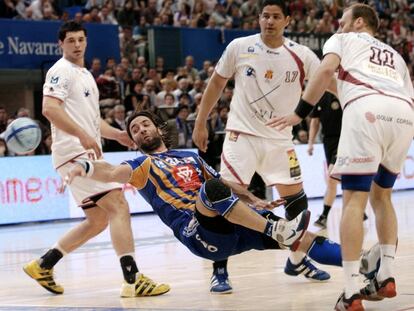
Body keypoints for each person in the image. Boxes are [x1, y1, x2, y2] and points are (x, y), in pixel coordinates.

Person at [64, 111, 381, 295]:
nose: (141, 129)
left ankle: (361, 264)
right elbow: (110, 171)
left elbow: (226, 184)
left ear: (158, 129)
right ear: (133, 141)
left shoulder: (189, 156)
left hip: (231, 222)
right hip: (199, 233)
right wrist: (86, 167)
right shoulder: (139, 166)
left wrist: (253, 198)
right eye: (135, 129)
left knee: (305, 240)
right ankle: (277, 230)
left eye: (145, 124)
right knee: (212, 191)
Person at [267, 4, 414, 310]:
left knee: (355, 201)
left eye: (343, 19)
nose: (339, 23)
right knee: (382, 197)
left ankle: (351, 290)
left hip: (367, 111)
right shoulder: (395, 55)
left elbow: (324, 71)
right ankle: (386, 275)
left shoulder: (344, 39)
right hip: (404, 116)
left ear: (358, 22)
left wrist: (299, 113)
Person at [193, 0, 336, 292]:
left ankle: (296, 259)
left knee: (297, 201)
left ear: (287, 21)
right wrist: (200, 121)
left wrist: (361, 94)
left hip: (280, 140)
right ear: (258, 18)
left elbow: (329, 82)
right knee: (223, 198)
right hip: (240, 135)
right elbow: (216, 84)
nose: (269, 21)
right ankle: (219, 269)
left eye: (275, 17)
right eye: (264, 16)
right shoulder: (239, 46)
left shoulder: (302, 54)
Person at [23, 21, 169, 298]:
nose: (77, 45)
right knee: (118, 206)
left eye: (81, 40)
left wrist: (117, 135)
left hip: (79, 151)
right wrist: (84, 137)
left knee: (98, 219)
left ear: (86, 42)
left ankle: (43, 265)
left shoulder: (84, 74)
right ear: (61, 44)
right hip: (74, 152)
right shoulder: (60, 71)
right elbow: (49, 109)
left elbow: (91, 120)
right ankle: (133, 279)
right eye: (71, 41)